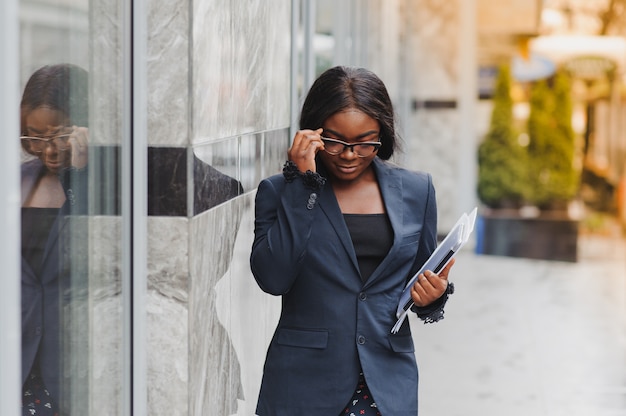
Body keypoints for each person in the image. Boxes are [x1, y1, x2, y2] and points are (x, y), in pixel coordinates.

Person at [249, 65, 456, 415]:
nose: (349, 154)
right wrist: (303, 184)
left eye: (365, 143)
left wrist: (433, 297)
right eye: (335, 141)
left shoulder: (417, 191)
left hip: (386, 383)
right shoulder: (280, 192)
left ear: (383, 135)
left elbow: (419, 282)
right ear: (313, 132)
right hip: (303, 384)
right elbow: (273, 278)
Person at [20, 63, 89, 416]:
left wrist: (86, 174)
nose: (47, 150)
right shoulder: (14, 183)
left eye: (59, 135)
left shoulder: (100, 186)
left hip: (76, 369)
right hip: (16, 369)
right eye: (34, 137)